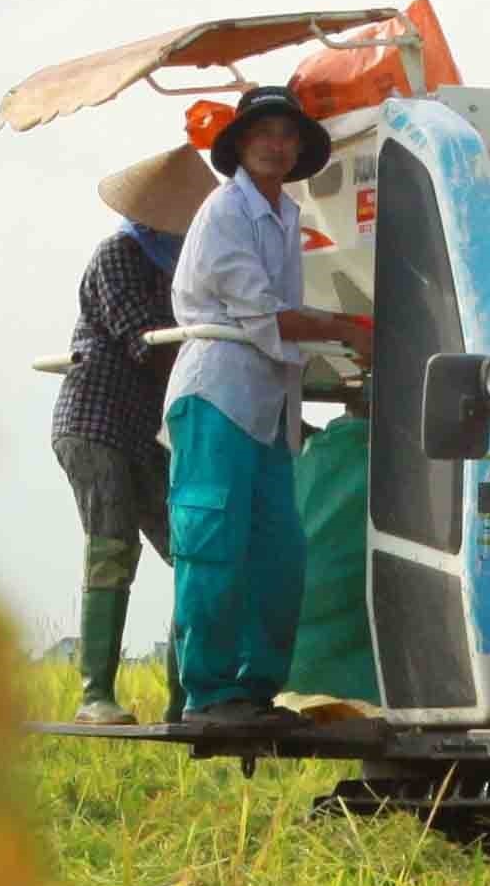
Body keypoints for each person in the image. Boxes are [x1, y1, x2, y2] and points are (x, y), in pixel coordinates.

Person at [165, 87, 368, 724]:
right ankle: (209, 691)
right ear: (242, 145)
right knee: (213, 545)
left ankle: (256, 688)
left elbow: (282, 323)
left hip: (267, 403)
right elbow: (264, 312)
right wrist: (355, 327)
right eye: (265, 134)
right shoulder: (224, 212)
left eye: (287, 135)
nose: (277, 146)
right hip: (218, 394)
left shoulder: (284, 215)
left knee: (278, 553)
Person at [55, 144, 207, 722]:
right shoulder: (119, 255)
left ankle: (185, 694)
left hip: (148, 431)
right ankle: (95, 694)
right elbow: (142, 338)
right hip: (98, 423)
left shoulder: (175, 265)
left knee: (192, 550)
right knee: (111, 546)